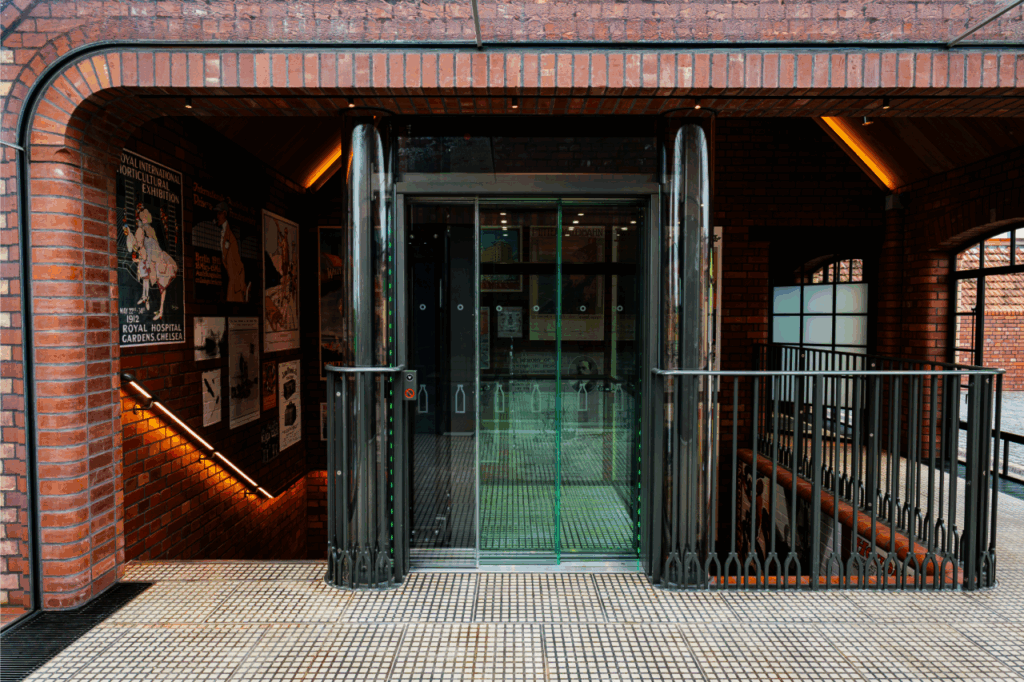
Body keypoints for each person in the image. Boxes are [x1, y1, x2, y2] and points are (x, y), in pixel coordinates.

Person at [124, 204, 178, 321]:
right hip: (157, 263)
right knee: (159, 287)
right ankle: (158, 308)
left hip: (162, 265)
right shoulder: (146, 236)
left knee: (162, 289)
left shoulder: (149, 239)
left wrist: (145, 264)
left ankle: (161, 311)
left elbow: (148, 257)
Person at [218, 201, 250, 302]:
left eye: (219, 213)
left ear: (224, 214)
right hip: (232, 281)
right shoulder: (224, 233)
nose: (217, 216)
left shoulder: (231, 237)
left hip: (235, 283)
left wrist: (242, 285)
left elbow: (239, 264)